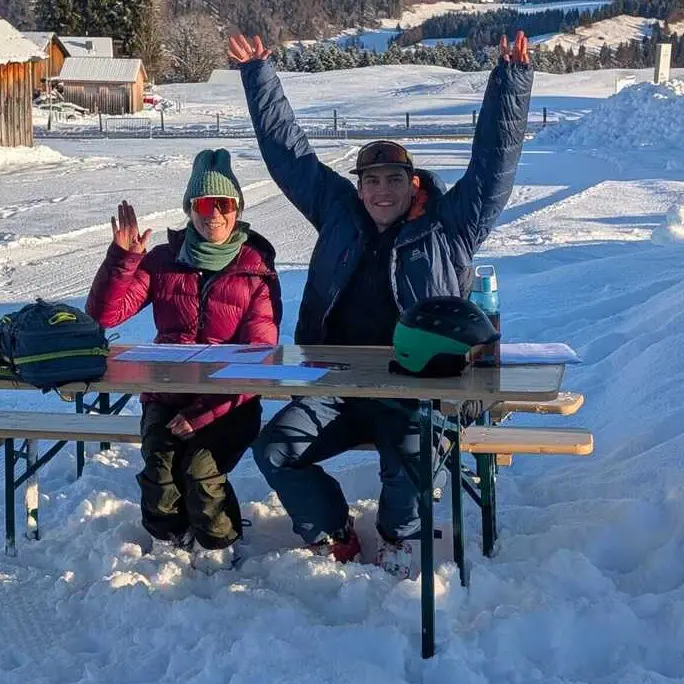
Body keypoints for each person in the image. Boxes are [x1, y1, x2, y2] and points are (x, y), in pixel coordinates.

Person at [227, 32, 534, 578]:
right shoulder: (339, 215)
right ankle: (332, 531)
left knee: (414, 459)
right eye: (371, 181)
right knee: (274, 449)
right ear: (360, 188)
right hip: (339, 387)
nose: (381, 191)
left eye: (395, 179)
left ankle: (399, 535)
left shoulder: (450, 228)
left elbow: (492, 168)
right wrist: (259, 75)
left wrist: (509, 81)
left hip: (416, 390)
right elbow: (289, 154)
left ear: (413, 184)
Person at [85, 149, 281, 572]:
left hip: (230, 402)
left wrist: (202, 414)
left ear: (238, 209)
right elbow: (104, 316)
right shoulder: (162, 261)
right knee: (159, 467)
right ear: (190, 210)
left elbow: (261, 359)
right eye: (204, 205)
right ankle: (169, 538)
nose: (214, 215)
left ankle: (218, 542)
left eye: (224, 204)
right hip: (167, 394)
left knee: (199, 470)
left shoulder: (255, 269)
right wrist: (122, 261)